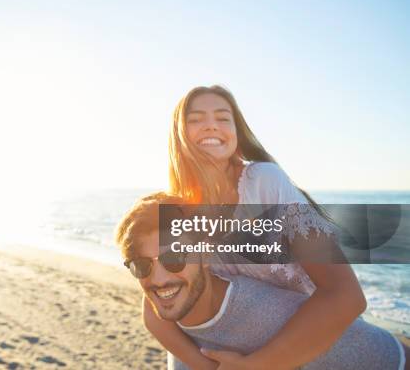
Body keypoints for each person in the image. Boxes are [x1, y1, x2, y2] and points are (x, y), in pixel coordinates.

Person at [146, 85, 371, 369]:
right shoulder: (175, 211)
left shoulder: (264, 182)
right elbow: (156, 312)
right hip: (234, 347)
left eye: (223, 118)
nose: (211, 125)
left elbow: (346, 296)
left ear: (236, 135)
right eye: (195, 119)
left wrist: (255, 366)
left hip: (313, 343)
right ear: (179, 135)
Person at [114, 193, 408, 370]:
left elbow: (346, 301)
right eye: (141, 267)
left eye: (174, 258)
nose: (159, 278)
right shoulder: (176, 337)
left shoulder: (263, 317)